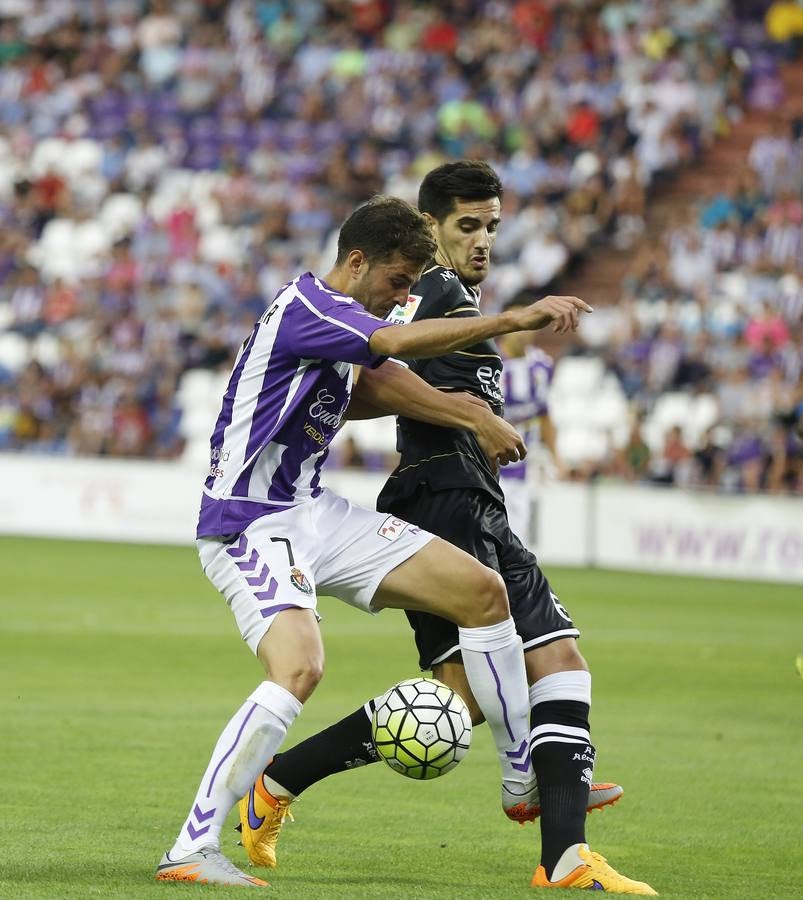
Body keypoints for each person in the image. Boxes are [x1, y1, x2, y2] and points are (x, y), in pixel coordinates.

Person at [155, 195, 593, 887]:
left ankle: (520, 781)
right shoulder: (309, 307)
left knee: (482, 593)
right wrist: (512, 320)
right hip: (248, 520)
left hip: (310, 510)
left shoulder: (345, 325)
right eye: (396, 280)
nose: (403, 296)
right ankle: (191, 847)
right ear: (356, 262)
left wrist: (466, 415)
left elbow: (378, 381)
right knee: (299, 667)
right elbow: (386, 350)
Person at [241, 164, 656, 894]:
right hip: (442, 489)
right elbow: (370, 372)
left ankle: (277, 782)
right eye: (467, 225)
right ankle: (557, 842)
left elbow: (358, 389)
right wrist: (469, 412)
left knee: (458, 701)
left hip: (466, 492)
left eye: (492, 225)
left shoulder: (451, 296)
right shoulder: (428, 292)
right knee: (552, 664)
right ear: (427, 232)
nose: (483, 240)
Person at [496, 297, 564, 544]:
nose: (523, 335)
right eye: (518, 329)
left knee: (518, 534)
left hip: (524, 465)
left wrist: (556, 457)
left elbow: (545, 414)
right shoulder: (490, 363)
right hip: (488, 463)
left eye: (528, 329)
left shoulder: (542, 366)